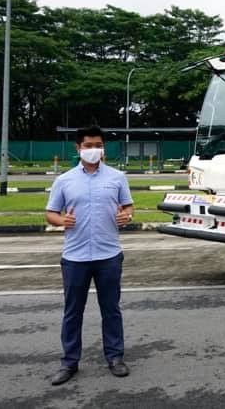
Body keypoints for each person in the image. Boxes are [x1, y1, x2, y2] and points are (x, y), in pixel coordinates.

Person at [45, 126, 134, 385]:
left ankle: (115, 357)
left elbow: (128, 207)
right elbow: (50, 213)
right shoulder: (65, 180)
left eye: (98, 145)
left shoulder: (117, 177)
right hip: (75, 257)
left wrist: (127, 216)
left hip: (109, 255)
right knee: (73, 311)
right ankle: (69, 362)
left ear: (103, 148)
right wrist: (61, 220)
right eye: (88, 145)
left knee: (111, 309)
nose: (94, 150)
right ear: (78, 148)